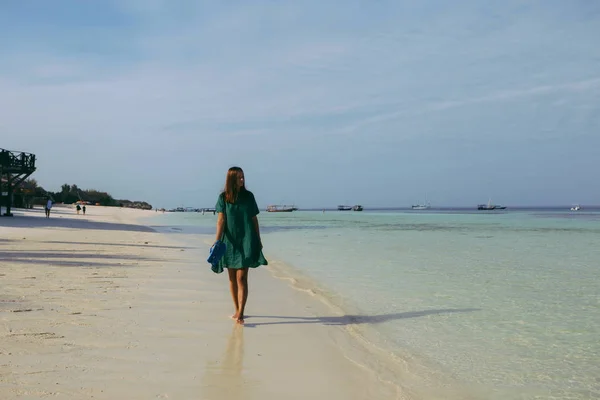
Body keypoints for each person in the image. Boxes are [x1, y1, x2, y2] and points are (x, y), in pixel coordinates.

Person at [215, 166, 267, 325]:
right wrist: (217, 241)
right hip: (229, 241)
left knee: (241, 277)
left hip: (247, 240)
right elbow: (221, 221)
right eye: (239, 178)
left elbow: (254, 219)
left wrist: (258, 239)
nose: (243, 180)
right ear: (232, 179)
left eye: (243, 177)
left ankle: (241, 314)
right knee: (231, 278)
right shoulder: (223, 197)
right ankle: (237, 308)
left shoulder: (249, 196)